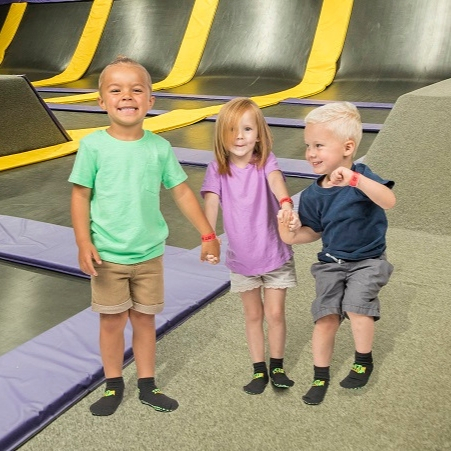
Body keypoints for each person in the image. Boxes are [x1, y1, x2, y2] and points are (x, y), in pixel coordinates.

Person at [69, 56, 220, 416]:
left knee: (145, 320)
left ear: (150, 102)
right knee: (111, 321)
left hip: (150, 254)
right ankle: (112, 384)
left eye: (137, 89)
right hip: (107, 255)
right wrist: (83, 241)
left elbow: (182, 191)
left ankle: (148, 384)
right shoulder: (93, 147)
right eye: (116, 89)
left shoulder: (158, 147)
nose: (127, 96)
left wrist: (207, 233)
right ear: (101, 101)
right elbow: (80, 195)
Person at [278, 101, 396, 405]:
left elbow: (388, 200)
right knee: (325, 317)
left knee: (357, 307)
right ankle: (320, 374)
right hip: (331, 264)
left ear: (347, 147)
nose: (310, 153)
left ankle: (362, 360)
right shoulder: (314, 192)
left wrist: (357, 180)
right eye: (307, 145)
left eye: (319, 145)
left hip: (367, 261)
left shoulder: (363, 176)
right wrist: (289, 232)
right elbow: (313, 232)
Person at [201, 97, 298, 395]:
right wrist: (208, 238)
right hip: (242, 259)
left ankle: (277, 366)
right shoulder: (217, 168)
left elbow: (276, 180)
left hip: (274, 253)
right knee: (253, 315)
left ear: (259, 133)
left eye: (246, 129)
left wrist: (285, 203)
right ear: (221, 134)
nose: (239, 136)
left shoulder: (265, 160)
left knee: (275, 314)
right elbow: (211, 204)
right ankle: (259, 369)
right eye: (231, 130)